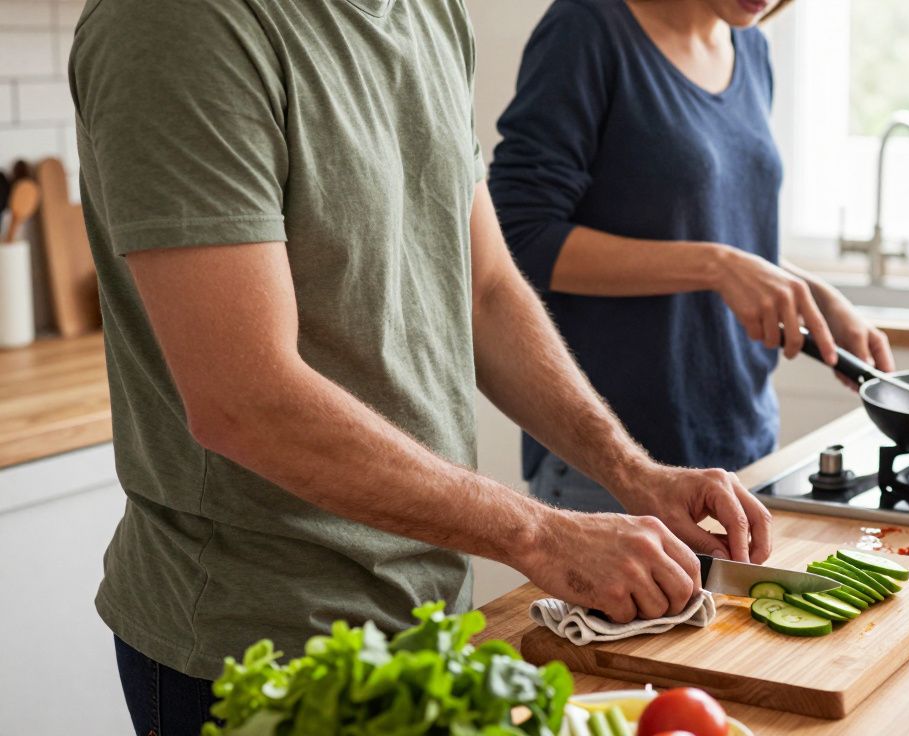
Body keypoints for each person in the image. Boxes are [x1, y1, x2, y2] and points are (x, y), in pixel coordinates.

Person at [69, 0, 770, 733]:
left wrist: (632, 472)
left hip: (427, 619)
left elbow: (485, 292)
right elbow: (246, 401)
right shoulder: (177, 21)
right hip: (256, 648)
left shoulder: (428, 10)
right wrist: (544, 535)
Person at [489, 0, 896, 513]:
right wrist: (716, 265)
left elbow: (714, 228)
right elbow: (519, 237)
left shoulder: (749, 44)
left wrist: (818, 297)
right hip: (617, 464)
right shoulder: (586, 29)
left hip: (742, 444)